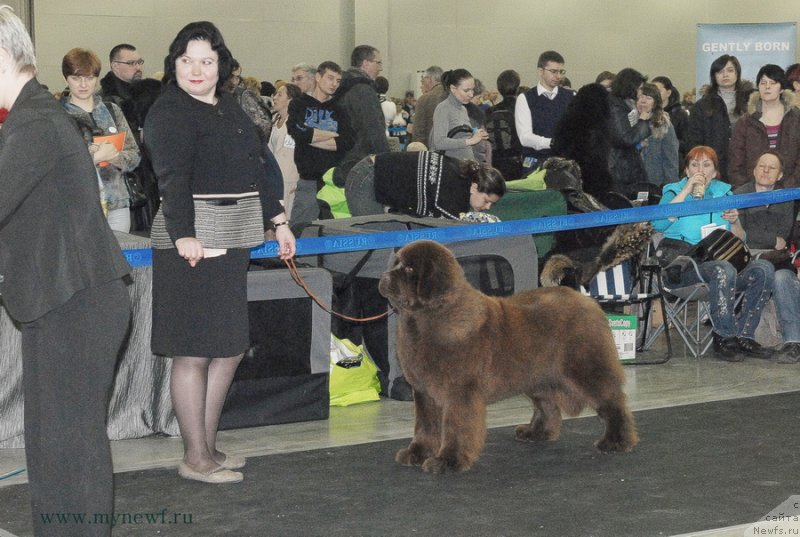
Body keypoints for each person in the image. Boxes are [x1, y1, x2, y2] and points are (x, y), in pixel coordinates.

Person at [144, 20, 296, 484]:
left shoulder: (229, 107)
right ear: (173, 64)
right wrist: (185, 234)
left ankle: (206, 446)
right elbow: (171, 177)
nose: (196, 69)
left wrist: (279, 220)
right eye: (186, 60)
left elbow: (256, 169)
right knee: (192, 352)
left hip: (233, 235)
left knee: (227, 349)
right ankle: (195, 458)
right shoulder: (168, 111)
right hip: (189, 239)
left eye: (206, 61)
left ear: (221, 66)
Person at [0, 6, 131, 536]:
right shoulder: (28, 118)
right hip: (61, 299)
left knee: (69, 448)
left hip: (76, 301)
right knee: (53, 444)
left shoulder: (36, 122)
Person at [652, 146, 774, 361]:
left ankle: (745, 335)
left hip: (719, 265)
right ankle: (724, 337)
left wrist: (734, 221)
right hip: (682, 268)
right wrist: (687, 190)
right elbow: (658, 224)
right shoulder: (673, 191)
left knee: (764, 269)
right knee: (723, 268)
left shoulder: (725, 193)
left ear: (715, 172)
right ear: (687, 171)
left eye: (706, 165)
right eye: (694, 165)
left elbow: (740, 239)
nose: (701, 169)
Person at [60, 47, 141, 233]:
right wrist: (93, 158)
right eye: (76, 78)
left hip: (117, 203)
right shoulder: (58, 116)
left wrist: (114, 157)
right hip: (76, 206)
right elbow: (55, 165)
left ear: (96, 78)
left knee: (118, 258)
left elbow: (134, 155)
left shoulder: (112, 110)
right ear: (66, 79)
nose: (83, 84)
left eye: (89, 78)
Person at [735, 151, 799, 362]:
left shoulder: (786, 197)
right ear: (753, 170)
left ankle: (793, 342)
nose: (765, 170)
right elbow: (741, 234)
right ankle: (745, 336)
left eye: (772, 168)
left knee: (782, 278)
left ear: (780, 175)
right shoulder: (739, 194)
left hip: (778, 257)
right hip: (747, 258)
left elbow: (785, 233)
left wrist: (762, 238)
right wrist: (771, 239)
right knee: (764, 269)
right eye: (762, 166)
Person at [285, 60, 353, 229]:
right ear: (317, 76)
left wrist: (311, 137)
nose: (334, 84)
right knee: (299, 230)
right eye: (330, 78)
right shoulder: (299, 103)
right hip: (308, 179)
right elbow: (298, 132)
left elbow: (346, 141)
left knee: (336, 231)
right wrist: (332, 135)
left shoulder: (341, 109)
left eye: (338, 81)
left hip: (333, 181)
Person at [345, 150, 505, 219]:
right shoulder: (453, 191)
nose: (487, 207)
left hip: (374, 174)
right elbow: (446, 226)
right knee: (376, 241)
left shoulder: (461, 173)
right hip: (366, 178)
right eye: (486, 200)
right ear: (474, 187)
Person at [728, 64, 800, 188]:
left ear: (782, 88)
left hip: (789, 194)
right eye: (763, 83)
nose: (767, 87)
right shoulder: (745, 122)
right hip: (751, 196)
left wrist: (787, 189)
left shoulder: (796, 119)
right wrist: (749, 191)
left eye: (773, 83)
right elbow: (735, 163)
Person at [331, 44, 391, 187]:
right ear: (365, 63)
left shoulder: (343, 88)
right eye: (378, 62)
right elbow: (373, 128)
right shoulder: (363, 90)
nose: (380, 68)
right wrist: (387, 162)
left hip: (343, 161)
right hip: (362, 162)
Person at [686, 54, 750, 180]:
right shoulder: (702, 106)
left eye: (730, 70)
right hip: (714, 170)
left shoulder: (751, 102)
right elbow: (693, 142)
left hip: (746, 167)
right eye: (720, 71)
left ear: (738, 74)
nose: (725, 75)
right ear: (714, 77)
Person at [551, 82, 613, 198]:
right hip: (593, 180)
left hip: (567, 179)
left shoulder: (566, 120)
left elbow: (558, 147)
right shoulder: (598, 126)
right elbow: (598, 157)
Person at [514, 50, 573, 172]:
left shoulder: (570, 96)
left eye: (561, 72)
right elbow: (525, 137)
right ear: (540, 71)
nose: (558, 76)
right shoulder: (525, 98)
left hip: (564, 163)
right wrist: (551, 142)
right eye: (553, 71)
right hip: (535, 163)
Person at [608, 67, 652, 195]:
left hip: (623, 166)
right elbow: (626, 138)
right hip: (619, 168)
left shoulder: (624, 104)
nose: (640, 92)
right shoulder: (616, 107)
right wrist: (643, 121)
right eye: (639, 88)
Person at [429, 68, 488, 161]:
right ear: (453, 88)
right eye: (466, 90)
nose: (471, 94)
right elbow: (439, 142)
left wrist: (476, 133)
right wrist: (470, 141)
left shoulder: (463, 109)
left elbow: (459, 133)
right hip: (451, 168)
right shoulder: (443, 108)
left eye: (472, 90)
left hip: (464, 165)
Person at [268, 82, 302, 219]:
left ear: (290, 100)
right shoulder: (275, 120)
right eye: (275, 94)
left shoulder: (298, 123)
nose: (274, 98)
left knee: (285, 220)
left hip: (290, 181)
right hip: (275, 178)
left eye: (279, 94)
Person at [637, 82, 679, 186]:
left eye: (648, 98)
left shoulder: (663, 124)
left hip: (655, 181)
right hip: (631, 181)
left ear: (655, 103)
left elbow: (671, 157)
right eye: (641, 97)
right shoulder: (628, 121)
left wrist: (670, 187)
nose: (643, 100)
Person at [485, 69, 523, 180]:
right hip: (518, 163)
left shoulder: (489, 112)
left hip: (494, 163)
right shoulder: (523, 109)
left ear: (499, 89)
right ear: (517, 87)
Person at [652, 75, 690, 164]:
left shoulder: (680, 114)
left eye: (658, 90)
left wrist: (669, 141)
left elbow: (687, 142)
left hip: (673, 160)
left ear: (668, 93)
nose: (654, 94)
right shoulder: (647, 113)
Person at [410, 65, 446, 145]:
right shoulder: (453, 95)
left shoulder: (424, 99)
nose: (422, 83)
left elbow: (418, 132)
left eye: (422, 81)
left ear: (429, 79)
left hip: (430, 148)